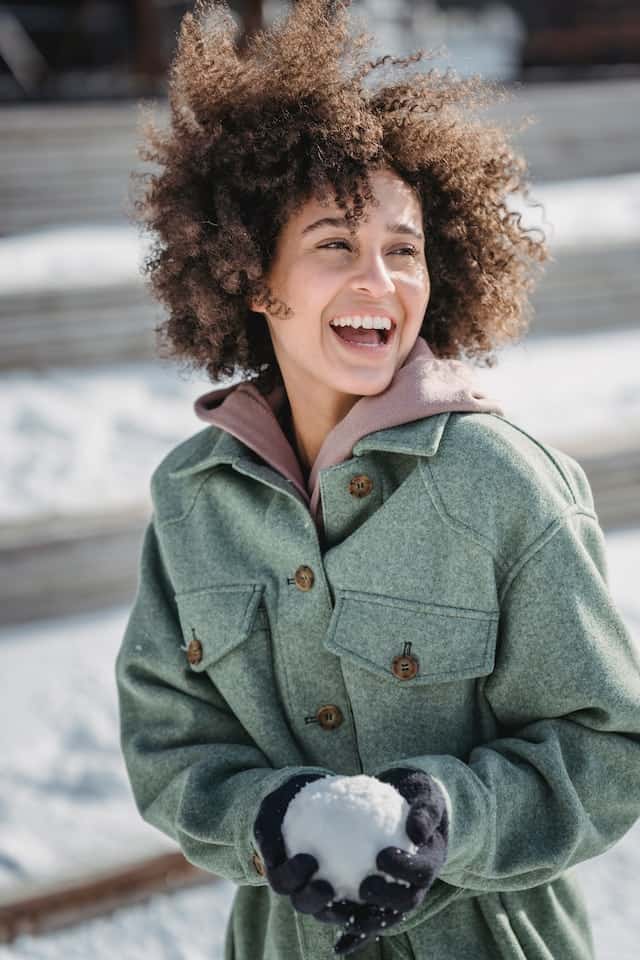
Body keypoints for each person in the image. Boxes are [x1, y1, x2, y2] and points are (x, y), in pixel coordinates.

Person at [116, 1, 640, 958]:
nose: (381, 281)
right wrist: (266, 818)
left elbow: (607, 748)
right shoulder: (191, 501)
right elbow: (168, 745)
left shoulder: (505, 484)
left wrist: (450, 815)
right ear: (251, 276)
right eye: (334, 245)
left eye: (403, 249)